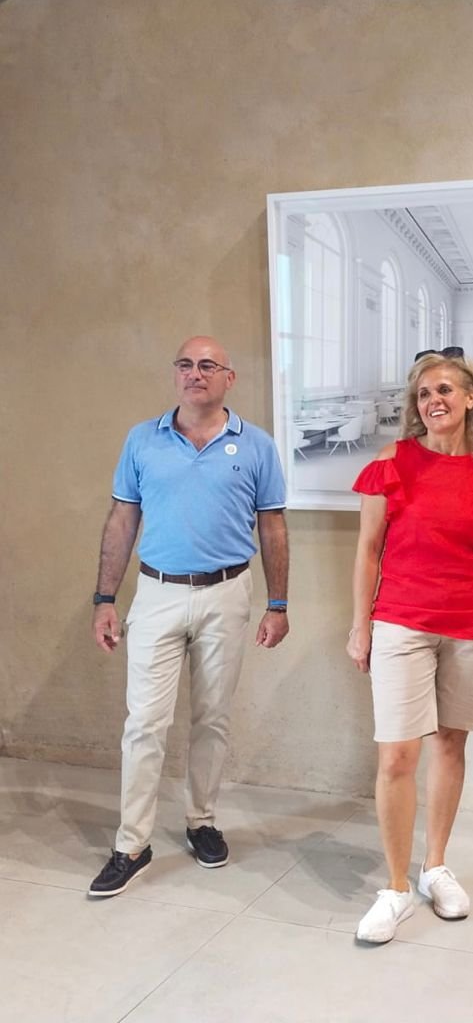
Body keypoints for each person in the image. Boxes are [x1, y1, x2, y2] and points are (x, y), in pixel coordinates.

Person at [88, 336, 290, 897]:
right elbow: (122, 519)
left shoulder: (256, 445)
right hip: (157, 594)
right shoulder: (142, 440)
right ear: (175, 374)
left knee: (212, 718)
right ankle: (132, 844)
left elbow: (272, 525)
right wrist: (104, 599)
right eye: (184, 364)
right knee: (144, 723)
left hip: (227, 593)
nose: (194, 373)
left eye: (207, 365)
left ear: (229, 377)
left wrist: (278, 603)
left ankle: (201, 822)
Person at [346, 349, 473, 944]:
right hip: (402, 621)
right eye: (424, 394)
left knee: (451, 744)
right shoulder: (392, 462)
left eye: (445, 389)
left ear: (471, 398)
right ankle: (395, 888)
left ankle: (436, 867)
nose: (433, 401)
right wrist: (361, 625)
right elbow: (368, 550)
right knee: (397, 756)